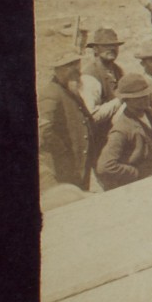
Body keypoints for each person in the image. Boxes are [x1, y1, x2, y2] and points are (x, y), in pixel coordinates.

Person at [95, 74, 152, 191]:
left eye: (146, 94)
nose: (146, 98)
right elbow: (105, 166)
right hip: (143, 184)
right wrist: (135, 173)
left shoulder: (148, 113)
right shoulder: (121, 129)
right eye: (139, 97)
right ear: (126, 100)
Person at [37, 52, 96, 205]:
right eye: (69, 66)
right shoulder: (51, 93)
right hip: (64, 166)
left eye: (76, 64)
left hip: (78, 163)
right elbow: (43, 129)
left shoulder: (70, 89)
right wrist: (63, 152)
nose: (75, 70)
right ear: (58, 70)